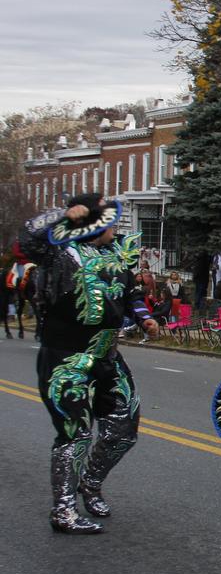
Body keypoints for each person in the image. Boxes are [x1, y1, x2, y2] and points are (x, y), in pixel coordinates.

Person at [18, 192, 158, 533]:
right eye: (109, 220)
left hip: (106, 355)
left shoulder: (116, 253)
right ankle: (63, 511)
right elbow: (27, 238)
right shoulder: (58, 252)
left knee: (124, 429)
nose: (115, 226)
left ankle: (90, 484)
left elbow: (131, 295)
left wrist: (144, 318)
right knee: (74, 433)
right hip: (66, 358)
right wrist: (62, 215)